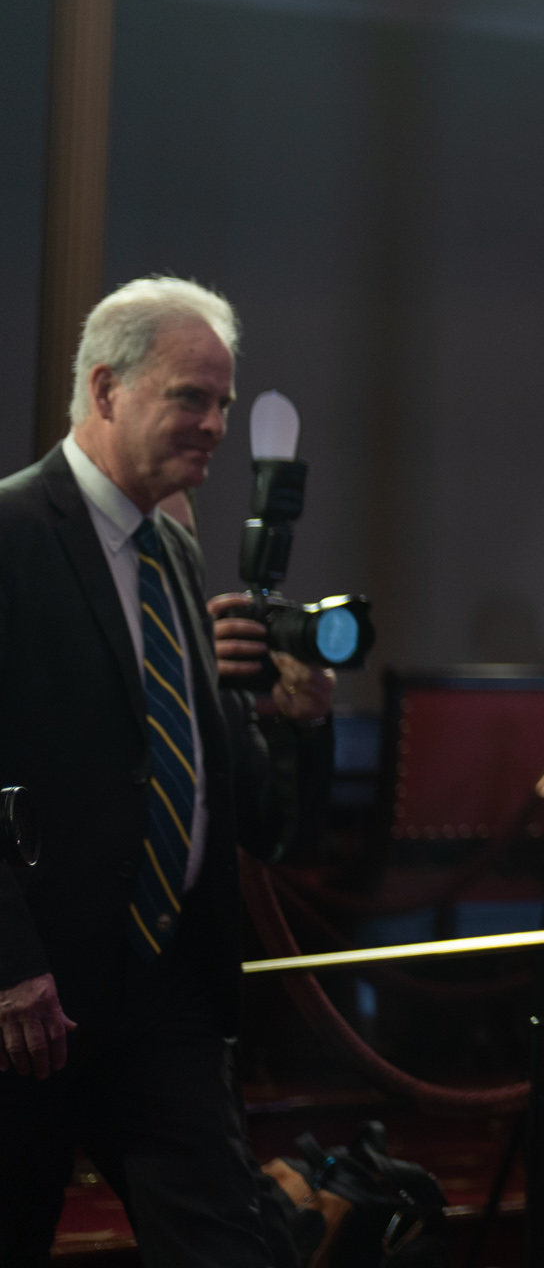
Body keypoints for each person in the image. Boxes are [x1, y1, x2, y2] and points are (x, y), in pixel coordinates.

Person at [0, 277, 333, 1266]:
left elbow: (252, 809)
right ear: (105, 389)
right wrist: (9, 964)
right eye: (192, 396)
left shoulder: (178, 553)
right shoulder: (11, 535)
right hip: (32, 1005)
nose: (217, 424)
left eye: (224, 401)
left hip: (169, 1000)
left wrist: (304, 721)